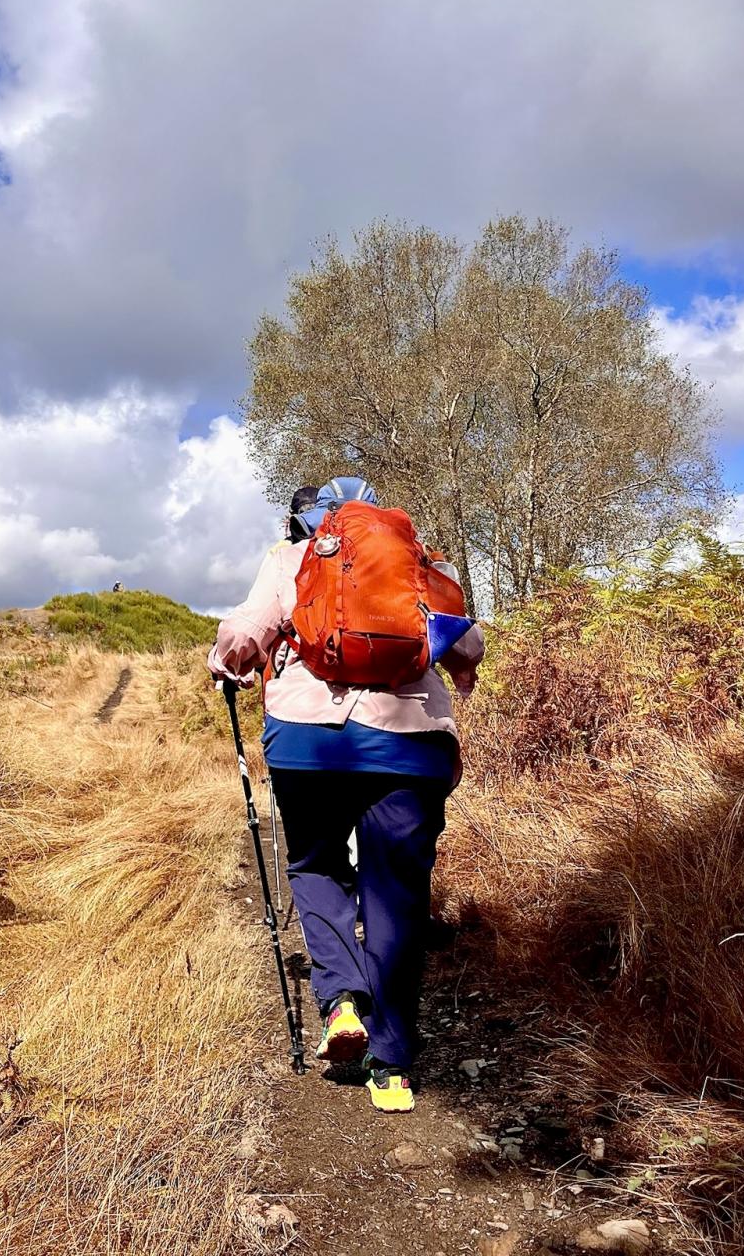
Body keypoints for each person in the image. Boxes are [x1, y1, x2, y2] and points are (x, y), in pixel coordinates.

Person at [209, 476, 483, 1113]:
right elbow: (465, 645)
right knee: (397, 892)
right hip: (408, 746)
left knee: (313, 862)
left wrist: (230, 659)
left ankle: (340, 998)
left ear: (304, 521)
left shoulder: (288, 560)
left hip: (309, 744)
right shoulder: (419, 562)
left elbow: (248, 630)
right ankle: (392, 1065)